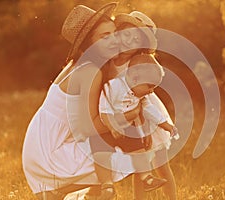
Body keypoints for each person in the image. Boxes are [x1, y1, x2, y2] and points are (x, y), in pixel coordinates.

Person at [21, 3, 135, 200]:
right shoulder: (90, 71)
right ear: (89, 44)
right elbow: (86, 128)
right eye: (104, 36)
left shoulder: (80, 64)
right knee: (126, 157)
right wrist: (128, 116)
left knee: (108, 150)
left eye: (114, 33)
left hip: (39, 147)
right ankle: (61, 190)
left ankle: (77, 193)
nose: (114, 40)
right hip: (50, 154)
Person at [90, 11, 177, 200]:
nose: (130, 41)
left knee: (161, 164)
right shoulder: (109, 59)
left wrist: (145, 128)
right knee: (139, 165)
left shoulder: (140, 61)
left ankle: (172, 197)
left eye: (137, 38)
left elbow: (147, 95)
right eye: (126, 34)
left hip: (144, 110)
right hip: (118, 110)